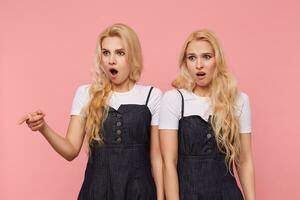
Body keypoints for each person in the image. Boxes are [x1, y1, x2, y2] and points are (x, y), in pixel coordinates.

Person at [19, 23, 164, 200]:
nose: (111, 60)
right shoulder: (86, 93)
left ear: (132, 56)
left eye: (120, 53)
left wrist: (161, 197)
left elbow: (156, 157)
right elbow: (70, 150)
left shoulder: (152, 96)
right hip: (97, 191)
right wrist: (43, 127)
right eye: (106, 53)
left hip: (140, 191)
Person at [159, 29, 255, 200]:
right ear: (185, 62)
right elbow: (169, 163)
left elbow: (244, 161)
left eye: (207, 57)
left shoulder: (239, 100)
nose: (199, 65)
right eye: (192, 58)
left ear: (217, 60)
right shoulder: (174, 99)